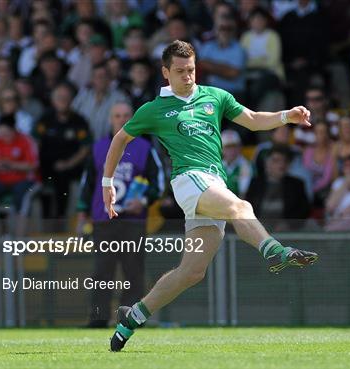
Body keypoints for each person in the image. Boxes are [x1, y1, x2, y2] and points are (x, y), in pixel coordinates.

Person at [102, 40, 318, 351]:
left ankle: (132, 316)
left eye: (191, 70)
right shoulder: (154, 109)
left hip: (214, 182)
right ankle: (274, 251)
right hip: (188, 180)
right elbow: (121, 139)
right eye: (180, 71)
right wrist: (107, 183)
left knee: (191, 272)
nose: (188, 76)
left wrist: (287, 116)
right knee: (240, 205)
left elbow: (254, 120)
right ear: (165, 72)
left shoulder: (215, 97)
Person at [77, 102, 164, 328]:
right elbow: (87, 185)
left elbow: (159, 183)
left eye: (126, 116)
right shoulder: (98, 147)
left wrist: (143, 201)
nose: (122, 120)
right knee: (100, 273)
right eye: (117, 116)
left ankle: (131, 320)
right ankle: (97, 320)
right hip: (104, 220)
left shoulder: (145, 148)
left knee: (133, 273)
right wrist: (81, 213)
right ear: (110, 119)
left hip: (133, 222)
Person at [33, 83, 91, 218]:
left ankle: (60, 217)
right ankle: (46, 219)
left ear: (71, 100)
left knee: (62, 178)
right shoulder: (45, 119)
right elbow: (36, 142)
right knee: (43, 177)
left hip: (72, 164)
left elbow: (85, 148)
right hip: (47, 164)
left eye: (66, 97)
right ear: (53, 100)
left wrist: (68, 163)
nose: (63, 101)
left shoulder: (79, 121)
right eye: (59, 97)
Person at [245, 144, 310, 230]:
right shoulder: (255, 183)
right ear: (267, 163)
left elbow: (303, 211)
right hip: (258, 232)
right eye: (276, 160)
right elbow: (247, 207)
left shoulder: (297, 185)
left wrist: (289, 224)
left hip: (287, 233)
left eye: (285, 161)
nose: (281, 164)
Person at [221, 129, 252, 199]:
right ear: (221, 149)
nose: (232, 150)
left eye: (234, 146)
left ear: (240, 147)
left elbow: (243, 195)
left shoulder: (246, 166)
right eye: (228, 147)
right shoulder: (217, 166)